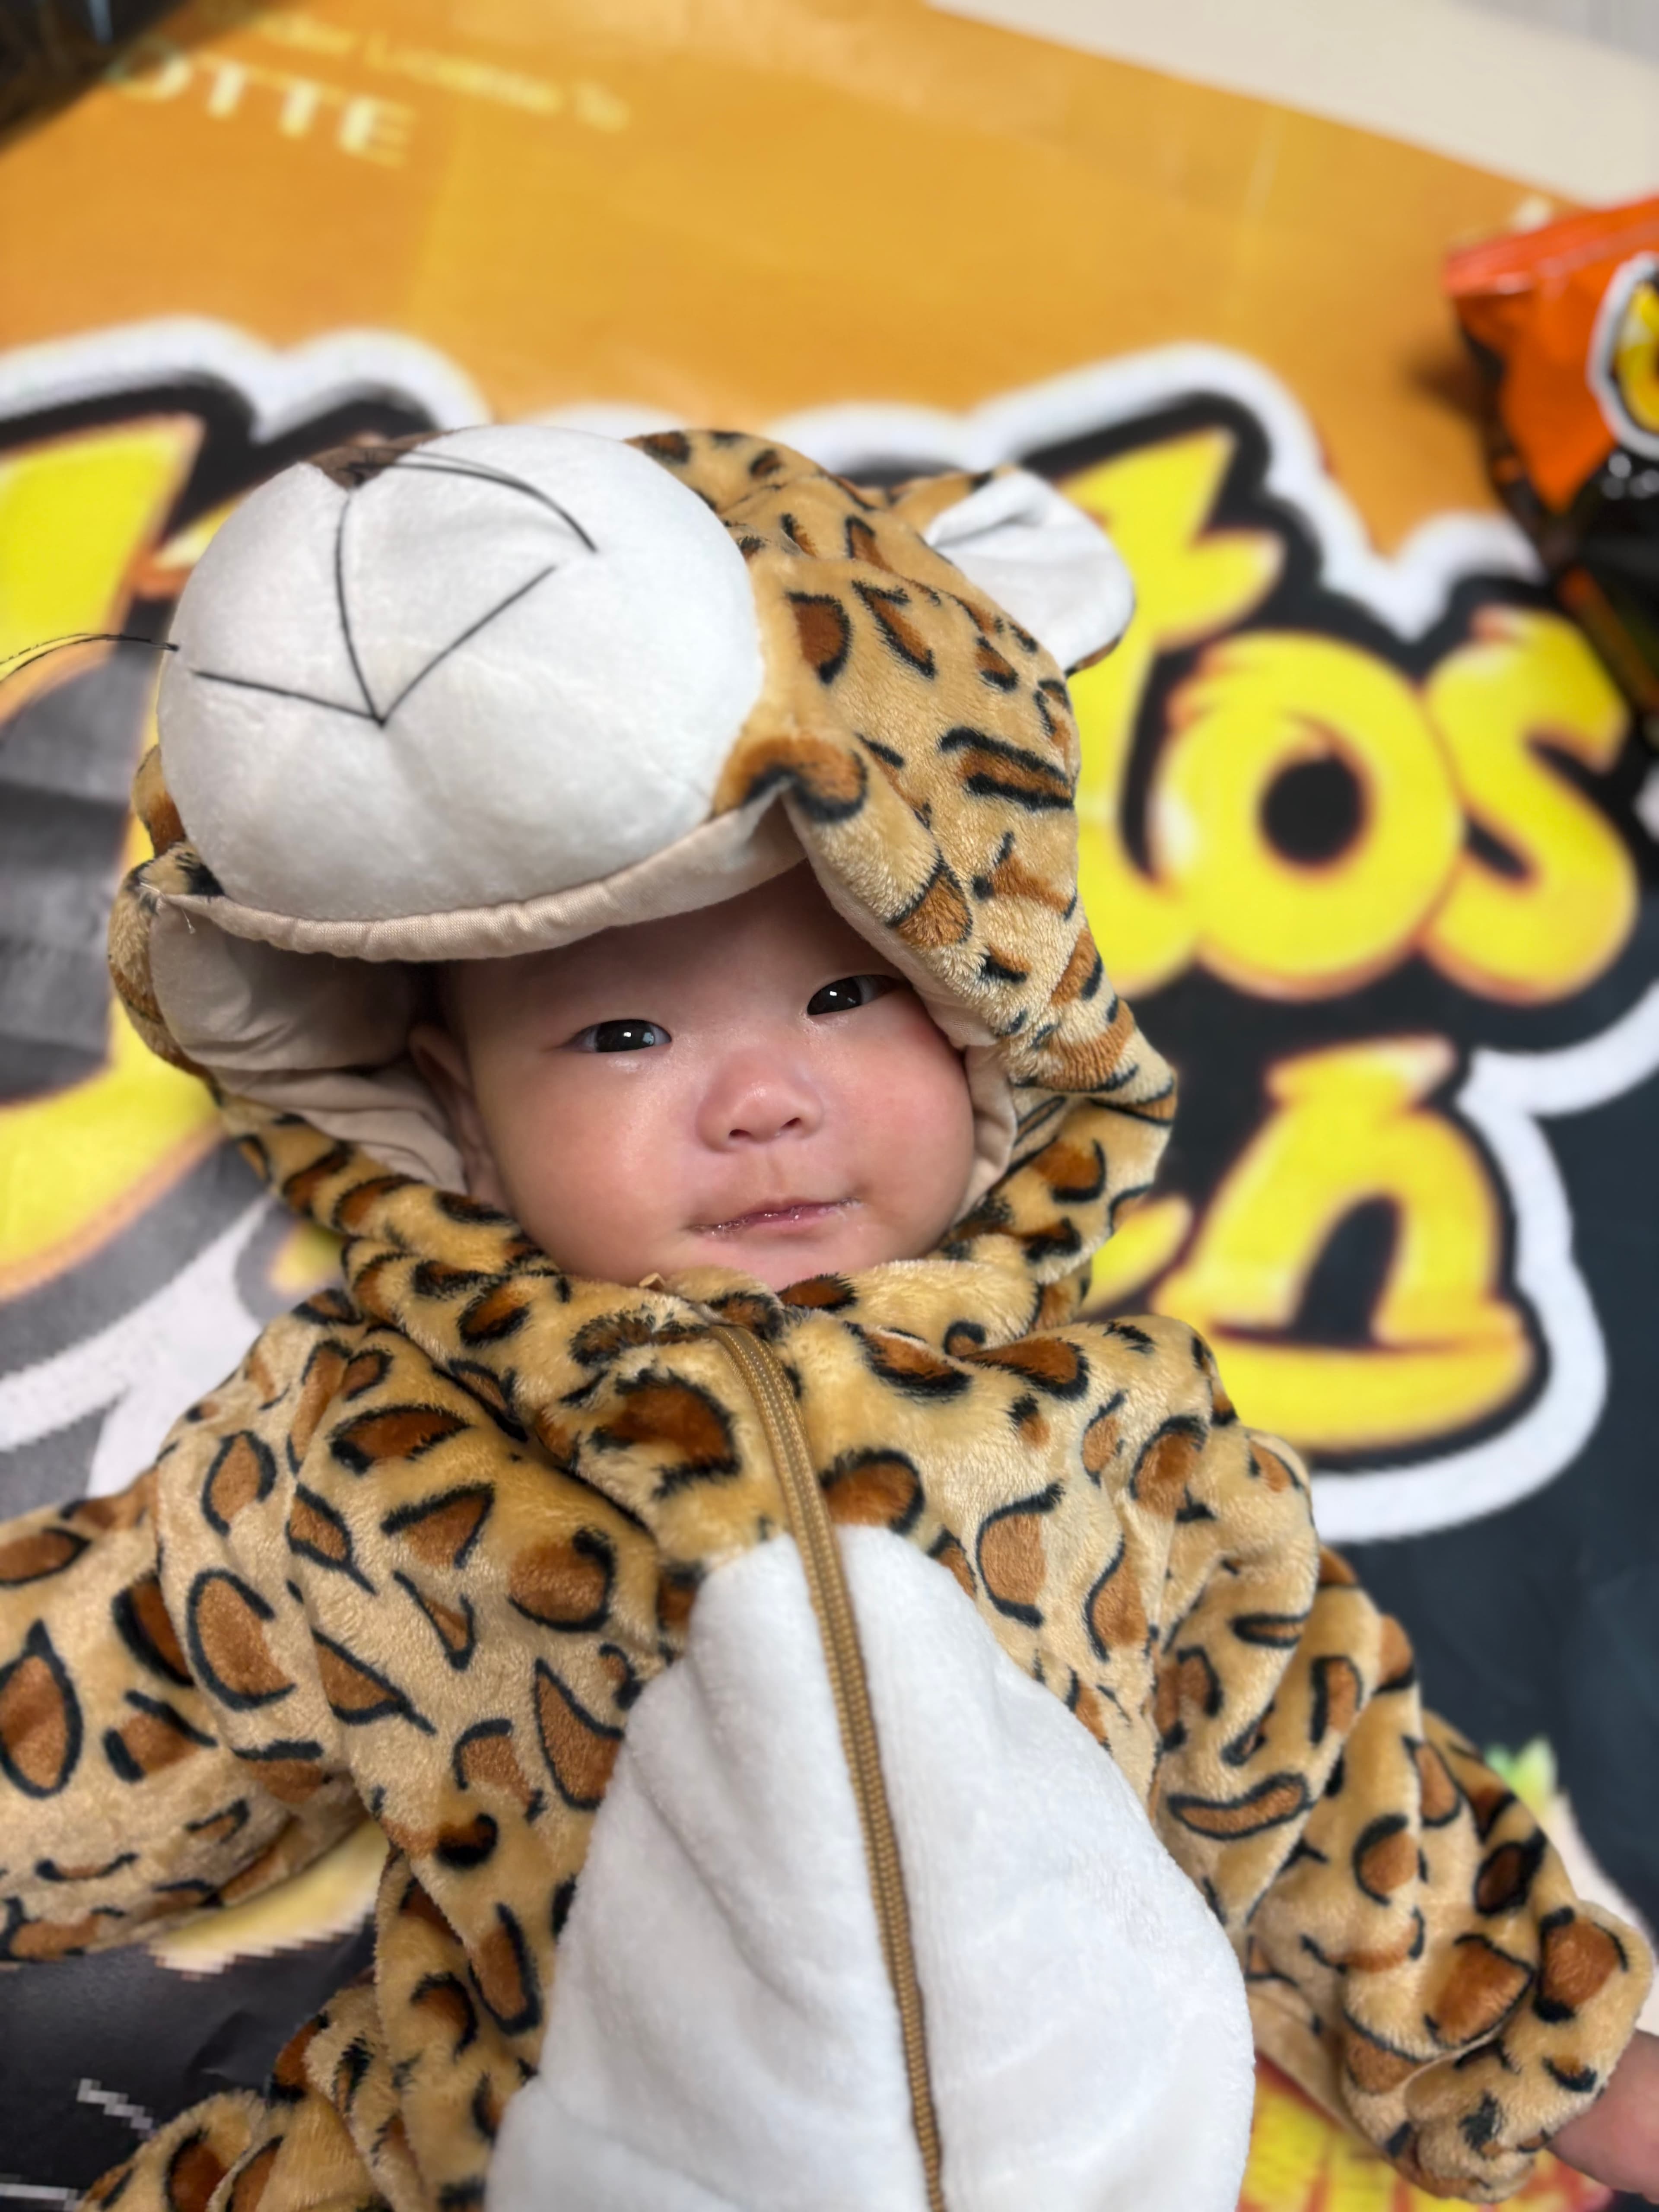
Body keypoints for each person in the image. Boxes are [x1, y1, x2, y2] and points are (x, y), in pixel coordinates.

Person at [2, 426, 1653, 2212]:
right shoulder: (364, 1443)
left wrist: (1565, 2061)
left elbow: (1324, 1783)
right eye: (625, 1035)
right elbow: (111, 1687)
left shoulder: (1114, 1429)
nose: (764, 1099)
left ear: (987, 1002)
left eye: (850, 991)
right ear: (457, 1112)